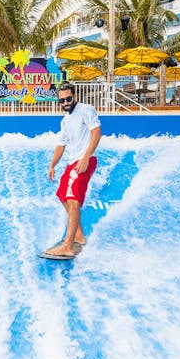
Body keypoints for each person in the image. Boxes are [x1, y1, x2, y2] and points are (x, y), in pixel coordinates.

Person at [46, 82, 102, 257]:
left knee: (73, 199)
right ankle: (78, 235)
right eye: (62, 100)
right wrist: (52, 165)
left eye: (68, 98)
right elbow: (61, 145)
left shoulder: (86, 110)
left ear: (74, 96)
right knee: (63, 195)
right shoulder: (65, 121)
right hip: (72, 162)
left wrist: (86, 157)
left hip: (85, 160)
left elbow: (97, 132)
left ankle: (68, 246)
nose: (65, 103)